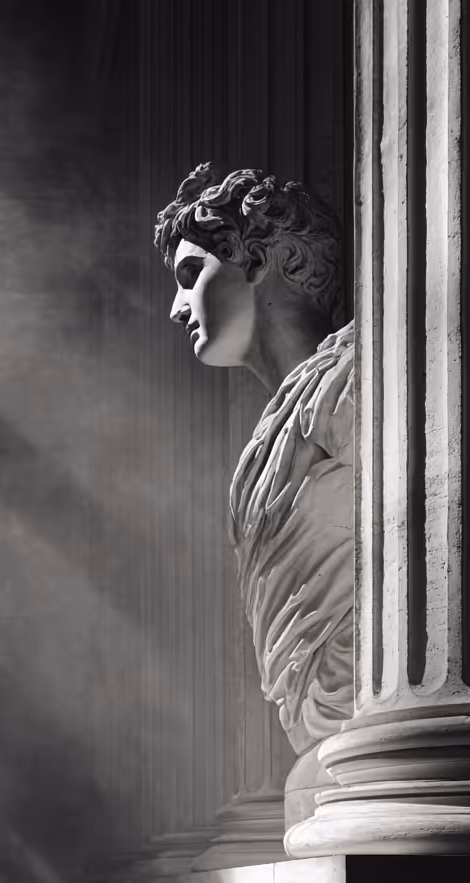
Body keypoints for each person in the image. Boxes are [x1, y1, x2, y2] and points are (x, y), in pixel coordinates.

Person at [153, 163, 354, 756]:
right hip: (324, 733)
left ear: (261, 260)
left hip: (365, 727)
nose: (176, 307)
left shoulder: (350, 380)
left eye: (191, 275)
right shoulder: (273, 436)